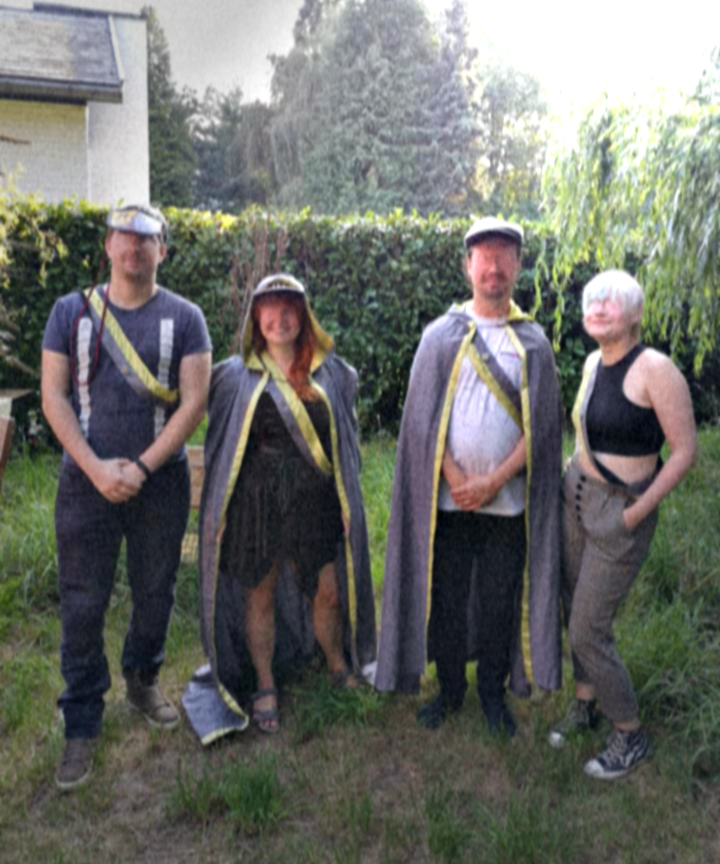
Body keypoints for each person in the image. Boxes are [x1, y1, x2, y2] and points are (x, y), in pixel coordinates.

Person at [41, 204, 212, 790]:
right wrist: (95, 468)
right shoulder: (69, 312)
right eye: (124, 237)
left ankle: (142, 681)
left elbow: (193, 403)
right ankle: (82, 719)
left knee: (155, 592)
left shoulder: (186, 318)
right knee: (82, 601)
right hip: (83, 483)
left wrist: (140, 467)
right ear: (108, 246)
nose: (134, 247)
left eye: (146, 239)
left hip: (159, 483)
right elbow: (53, 397)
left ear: (162, 250)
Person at [375, 217, 562, 735]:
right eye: (484, 256)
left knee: (501, 603)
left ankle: (493, 695)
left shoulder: (534, 345)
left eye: (504, 256)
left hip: (507, 503)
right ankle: (450, 690)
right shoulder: (439, 337)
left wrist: (494, 481)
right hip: (450, 503)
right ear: (468, 266)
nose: (494, 266)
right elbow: (422, 422)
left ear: (517, 266)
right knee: (448, 601)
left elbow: (542, 430)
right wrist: (457, 477)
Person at [182, 273, 376, 745]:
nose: (280, 317)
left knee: (328, 591)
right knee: (259, 593)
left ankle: (337, 663)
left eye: (290, 307)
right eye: (270, 307)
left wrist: (347, 500)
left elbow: (345, 446)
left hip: (314, 498)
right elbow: (224, 449)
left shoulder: (334, 374)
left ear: (304, 316)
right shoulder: (231, 377)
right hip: (256, 502)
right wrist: (220, 511)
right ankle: (265, 682)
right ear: (256, 316)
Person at [549, 269, 696, 778]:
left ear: (635, 314)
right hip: (575, 499)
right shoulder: (593, 362)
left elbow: (685, 451)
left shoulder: (656, 369)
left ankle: (629, 733)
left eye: (610, 301)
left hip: (620, 511)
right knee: (573, 606)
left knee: (588, 628)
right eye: (592, 300)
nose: (597, 308)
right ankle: (585, 702)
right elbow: (586, 430)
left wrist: (635, 512)